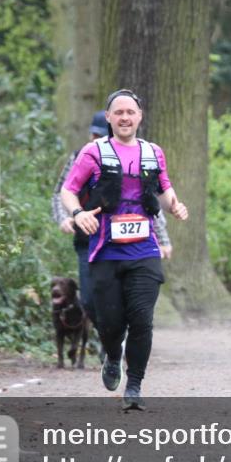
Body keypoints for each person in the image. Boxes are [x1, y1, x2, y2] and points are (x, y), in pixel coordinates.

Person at [60, 90, 188, 410]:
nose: (125, 117)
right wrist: (78, 214)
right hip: (105, 251)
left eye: (130, 112)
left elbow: (165, 187)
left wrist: (175, 205)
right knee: (110, 323)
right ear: (109, 117)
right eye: (119, 113)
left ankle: (134, 386)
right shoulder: (93, 152)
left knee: (142, 319)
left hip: (144, 250)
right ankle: (113, 357)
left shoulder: (153, 152)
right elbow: (68, 190)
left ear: (140, 116)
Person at [52, 111, 173, 333]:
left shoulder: (138, 156)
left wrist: (163, 239)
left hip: (133, 243)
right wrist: (66, 217)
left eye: (102, 136)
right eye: (95, 135)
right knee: (89, 299)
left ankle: (119, 342)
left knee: (129, 300)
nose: (98, 141)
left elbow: (150, 202)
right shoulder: (82, 156)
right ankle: (111, 341)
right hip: (90, 239)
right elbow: (63, 191)